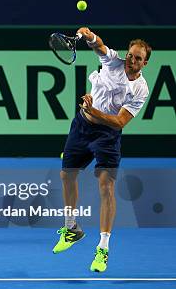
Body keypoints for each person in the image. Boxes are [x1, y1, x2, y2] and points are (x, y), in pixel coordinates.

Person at [53, 27, 151, 273]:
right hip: (81, 127)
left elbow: (119, 122)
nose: (132, 60)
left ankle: (103, 249)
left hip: (107, 137)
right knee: (67, 175)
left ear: (144, 63)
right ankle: (72, 228)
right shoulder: (113, 62)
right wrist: (89, 35)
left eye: (138, 58)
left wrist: (92, 109)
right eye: (130, 55)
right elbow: (100, 46)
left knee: (106, 187)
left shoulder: (141, 89)